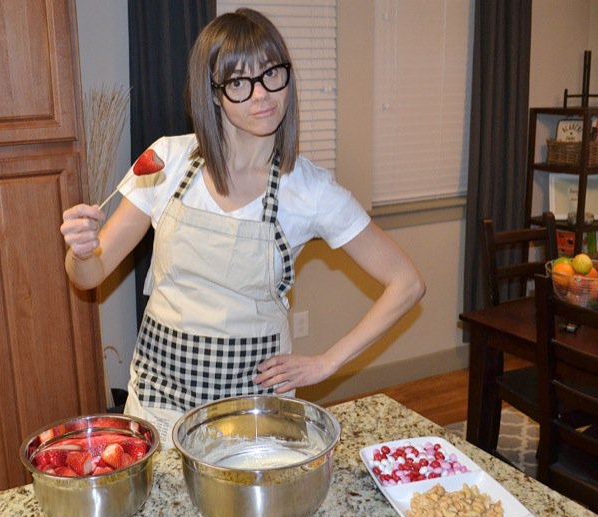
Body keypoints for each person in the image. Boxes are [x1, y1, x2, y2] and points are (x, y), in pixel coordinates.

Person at [60, 8, 425, 444]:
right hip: (159, 402)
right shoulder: (168, 162)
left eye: (272, 73)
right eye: (238, 83)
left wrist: (326, 363)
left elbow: (407, 283)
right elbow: (90, 276)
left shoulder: (308, 190)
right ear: (212, 93)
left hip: (255, 411)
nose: (262, 95)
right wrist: (81, 252)